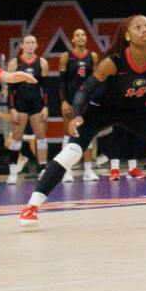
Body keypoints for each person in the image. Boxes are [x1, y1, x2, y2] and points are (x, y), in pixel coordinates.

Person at [18, 15, 146, 228]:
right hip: (100, 110)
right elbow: (84, 90)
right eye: (138, 27)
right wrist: (76, 115)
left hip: (134, 110)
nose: (145, 30)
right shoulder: (113, 61)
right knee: (71, 153)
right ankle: (31, 207)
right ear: (128, 35)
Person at [3, 34, 50, 182]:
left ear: (36, 45)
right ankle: (13, 172)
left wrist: (46, 107)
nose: (30, 45)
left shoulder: (42, 63)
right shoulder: (14, 63)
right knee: (16, 138)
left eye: (33, 42)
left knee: (41, 136)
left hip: (36, 104)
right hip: (20, 104)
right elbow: (10, 88)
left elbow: (46, 88)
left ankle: (43, 169)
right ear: (22, 45)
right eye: (27, 42)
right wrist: (12, 108)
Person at [54, 28, 97, 179]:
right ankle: (67, 170)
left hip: (87, 100)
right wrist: (64, 101)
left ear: (86, 38)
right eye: (77, 35)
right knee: (68, 133)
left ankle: (88, 170)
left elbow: (96, 80)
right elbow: (61, 82)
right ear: (72, 39)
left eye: (83, 35)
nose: (80, 37)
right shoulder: (66, 56)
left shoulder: (93, 56)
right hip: (71, 100)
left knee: (88, 133)